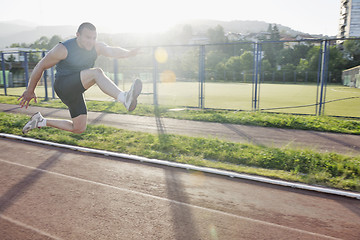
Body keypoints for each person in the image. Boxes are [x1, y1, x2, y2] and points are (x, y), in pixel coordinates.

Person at [18, 22, 142, 134]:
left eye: (94, 38)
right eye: (88, 37)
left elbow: (111, 50)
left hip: (76, 90)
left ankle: (40, 121)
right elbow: (40, 66)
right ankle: (124, 98)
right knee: (96, 73)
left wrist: (128, 53)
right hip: (63, 85)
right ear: (78, 35)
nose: (91, 41)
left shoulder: (96, 47)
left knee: (78, 128)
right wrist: (30, 90)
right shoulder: (63, 49)